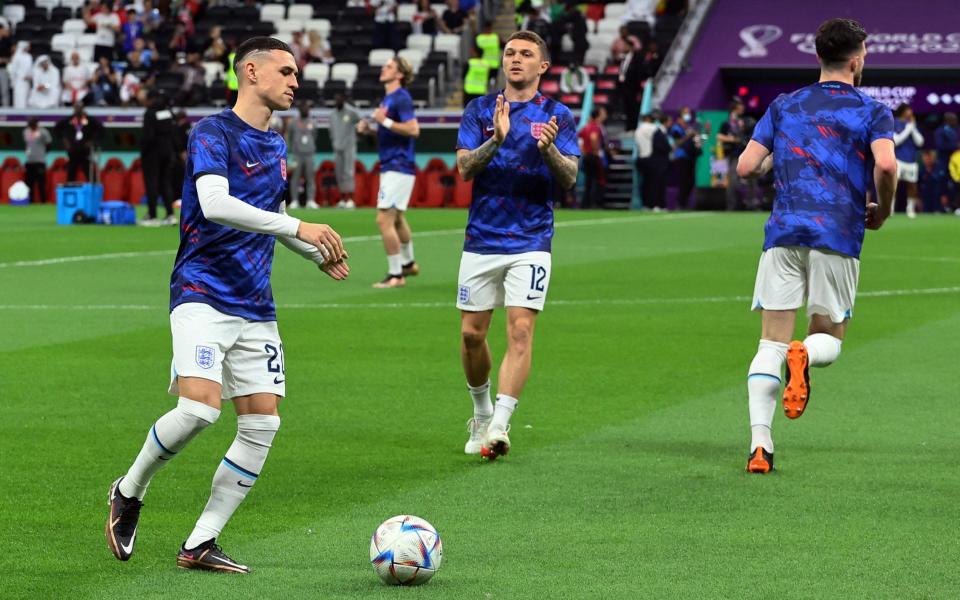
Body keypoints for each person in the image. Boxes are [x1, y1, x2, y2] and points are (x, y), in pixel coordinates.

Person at [105, 37, 349, 574]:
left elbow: (272, 216)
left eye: (296, 73)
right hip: (201, 291)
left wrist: (310, 252)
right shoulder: (211, 132)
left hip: (255, 303)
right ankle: (128, 490)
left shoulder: (277, 147)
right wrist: (300, 224)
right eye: (285, 71)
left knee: (262, 425)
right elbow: (215, 205)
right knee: (198, 410)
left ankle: (200, 543)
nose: (294, 81)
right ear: (251, 71)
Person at [735, 18, 896, 474]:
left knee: (770, 342)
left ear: (819, 56)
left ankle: (760, 446)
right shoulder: (870, 109)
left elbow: (746, 166)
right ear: (857, 59)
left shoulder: (785, 105)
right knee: (828, 336)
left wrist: (779, 165)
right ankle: (804, 353)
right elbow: (885, 164)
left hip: (784, 233)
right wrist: (882, 209)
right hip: (838, 233)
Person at [454, 30, 579, 459]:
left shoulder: (557, 114)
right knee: (472, 335)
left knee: (521, 328)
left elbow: (569, 178)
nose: (515, 59)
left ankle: (501, 425)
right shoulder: (480, 110)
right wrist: (496, 140)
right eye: (510, 53)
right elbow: (465, 168)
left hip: (531, 238)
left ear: (542, 66)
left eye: (526, 54)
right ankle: (481, 411)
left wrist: (548, 151)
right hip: (482, 239)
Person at [356, 57, 421, 288]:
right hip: (394, 165)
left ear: (400, 75)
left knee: (383, 220)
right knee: (397, 218)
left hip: (398, 165)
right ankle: (409, 263)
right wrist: (370, 130)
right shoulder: (389, 98)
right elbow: (390, 134)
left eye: (389, 67)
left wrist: (384, 121)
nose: (384, 69)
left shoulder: (401, 97)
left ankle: (396, 275)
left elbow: (413, 129)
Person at [140, 90, 179, 225]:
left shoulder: (149, 113)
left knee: (152, 184)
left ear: (150, 99)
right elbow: (175, 134)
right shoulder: (169, 113)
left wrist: (143, 151)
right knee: (165, 183)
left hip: (153, 154)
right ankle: (170, 215)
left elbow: (148, 137)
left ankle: (152, 215)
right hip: (168, 153)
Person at [55, 103, 104, 181]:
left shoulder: (89, 120)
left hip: (85, 151)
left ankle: (93, 189)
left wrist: (93, 141)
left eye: (80, 108)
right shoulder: (69, 120)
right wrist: (64, 140)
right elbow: (57, 129)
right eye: (76, 108)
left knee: (90, 173)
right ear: (74, 109)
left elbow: (101, 129)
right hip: (73, 150)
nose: (78, 110)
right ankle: (70, 190)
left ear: (83, 108)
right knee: (71, 173)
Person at [285, 101, 319, 209]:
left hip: (309, 154)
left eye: (307, 109)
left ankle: (310, 200)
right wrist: (291, 151)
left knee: (310, 178)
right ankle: (295, 200)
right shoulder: (293, 123)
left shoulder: (313, 123)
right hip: (297, 155)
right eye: (304, 108)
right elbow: (289, 137)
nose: (306, 110)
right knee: (295, 178)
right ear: (299, 110)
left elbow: (315, 136)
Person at [892, 104, 924, 219]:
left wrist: (913, 127)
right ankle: (890, 209)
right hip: (898, 159)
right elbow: (896, 141)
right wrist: (908, 129)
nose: (910, 112)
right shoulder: (894, 122)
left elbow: (920, 142)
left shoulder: (912, 124)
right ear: (903, 111)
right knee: (894, 185)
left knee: (912, 186)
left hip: (911, 160)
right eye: (908, 110)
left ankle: (910, 209)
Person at [329, 93, 361, 209]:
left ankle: (351, 199)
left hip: (349, 147)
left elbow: (360, 119)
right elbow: (331, 131)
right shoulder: (332, 115)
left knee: (348, 173)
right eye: (336, 100)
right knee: (339, 173)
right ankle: (343, 199)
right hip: (337, 148)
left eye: (339, 100)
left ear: (344, 101)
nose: (337, 102)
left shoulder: (351, 112)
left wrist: (358, 135)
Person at [669, 106, 704, 209]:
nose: (688, 115)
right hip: (681, 157)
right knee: (683, 182)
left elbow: (698, 142)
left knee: (690, 182)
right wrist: (689, 135)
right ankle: (680, 204)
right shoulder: (676, 128)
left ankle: (684, 204)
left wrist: (700, 136)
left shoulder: (689, 127)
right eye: (685, 113)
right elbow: (677, 143)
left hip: (691, 157)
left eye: (688, 112)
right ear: (680, 115)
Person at [717, 98, 748, 210]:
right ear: (735, 109)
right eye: (740, 107)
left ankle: (748, 204)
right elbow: (719, 136)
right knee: (733, 180)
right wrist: (732, 139)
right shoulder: (727, 123)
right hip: (733, 155)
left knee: (746, 180)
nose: (742, 108)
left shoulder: (742, 121)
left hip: (744, 154)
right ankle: (731, 206)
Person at [577, 106, 607, 208]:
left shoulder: (585, 127)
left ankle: (585, 203)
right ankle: (596, 203)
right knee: (598, 179)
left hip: (587, 156)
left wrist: (584, 152)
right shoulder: (595, 127)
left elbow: (580, 140)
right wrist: (596, 151)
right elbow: (594, 138)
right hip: (593, 156)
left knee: (588, 181)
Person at [933, 113, 959, 210]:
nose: (956, 121)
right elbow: (940, 146)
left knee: (954, 185)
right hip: (942, 162)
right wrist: (955, 147)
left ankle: (953, 207)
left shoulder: (955, 130)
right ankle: (937, 208)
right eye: (954, 119)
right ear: (948, 120)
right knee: (940, 185)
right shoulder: (939, 131)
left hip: (954, 163)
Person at [23, 118, 52, 204]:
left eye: (31, 123)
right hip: (29, 161)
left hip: (40, 161)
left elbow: (49, 144)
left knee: (41, 183)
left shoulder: (43, 132)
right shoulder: (26, 131)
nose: (29, 124)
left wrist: (43, 153)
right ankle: (30, 201)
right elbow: (27, 144)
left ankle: (43, 201)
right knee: (29, 183)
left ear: (36, 123)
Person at [10, 41, 32, 108]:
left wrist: (30, 75)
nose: (28, 48)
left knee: (27, 96)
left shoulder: (29, 56)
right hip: (19, 81)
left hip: (27, 81)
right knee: (19, 96)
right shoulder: (16, 56)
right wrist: (22, 76)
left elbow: (30, 68)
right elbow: (13, 69)